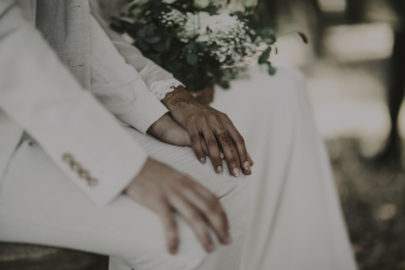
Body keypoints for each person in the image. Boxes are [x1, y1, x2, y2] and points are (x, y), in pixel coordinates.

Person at [0, 0, 357, 269]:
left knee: (225, 177)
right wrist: (125, 167)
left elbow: (74, 29)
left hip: (41, 120)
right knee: (185, 235)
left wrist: (164, 109)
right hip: (8, 145)